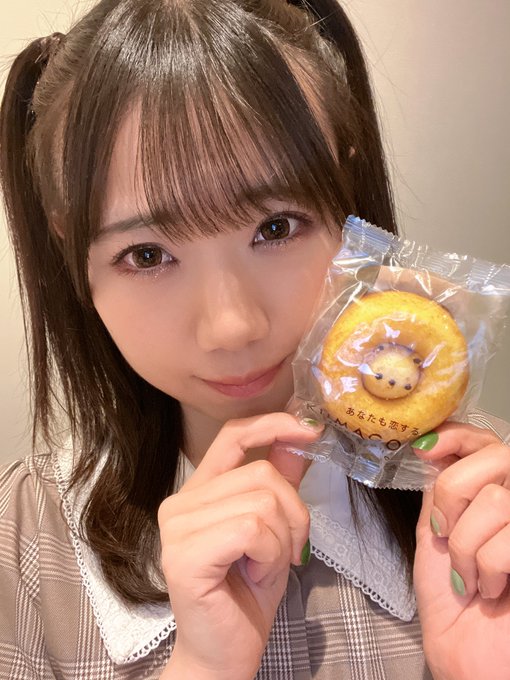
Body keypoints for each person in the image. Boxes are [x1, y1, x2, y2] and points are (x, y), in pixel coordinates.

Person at [0, 0, 509, 678]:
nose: (232, 326)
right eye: (147, 255)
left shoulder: (485, 498)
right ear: (70, 243)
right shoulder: (25, 540)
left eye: (276, 227)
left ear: (344, 195)